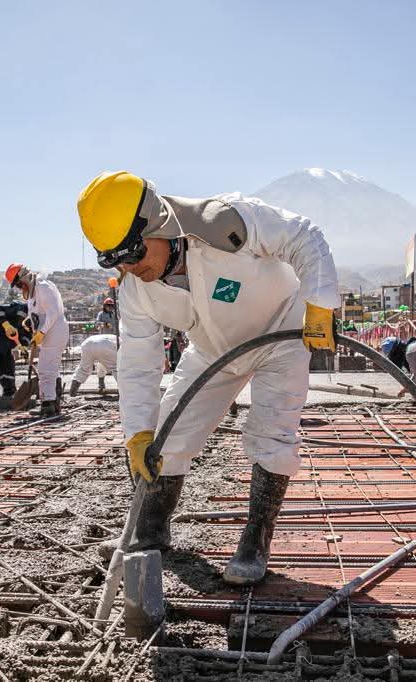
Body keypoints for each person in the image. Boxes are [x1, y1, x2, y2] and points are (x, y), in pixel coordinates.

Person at [77, 170, 338, 586]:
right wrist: (138, 434)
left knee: (272, 432)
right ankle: (151, 530)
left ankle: (256, 539)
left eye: (133, 252)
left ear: (158, 225)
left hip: (281, 335)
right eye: (116, 259)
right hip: (213, 351)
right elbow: (139, 365)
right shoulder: (135, 289)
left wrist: (319, 303)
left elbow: (304, 236)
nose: (130, 267)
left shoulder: (227, 224)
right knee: (169, 434)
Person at [4, 263, 69, 417]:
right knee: (50, 368)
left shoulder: (43, 286)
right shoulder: (33, 293)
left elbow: (53, 313)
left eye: (19, 284)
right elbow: (40, 312)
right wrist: (29, 321)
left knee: (45, 369)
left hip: (54, 331)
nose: (20, 288)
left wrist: (41, 332)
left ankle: (47, 405)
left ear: (24, 277)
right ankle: (53, 401)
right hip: (49, 333)